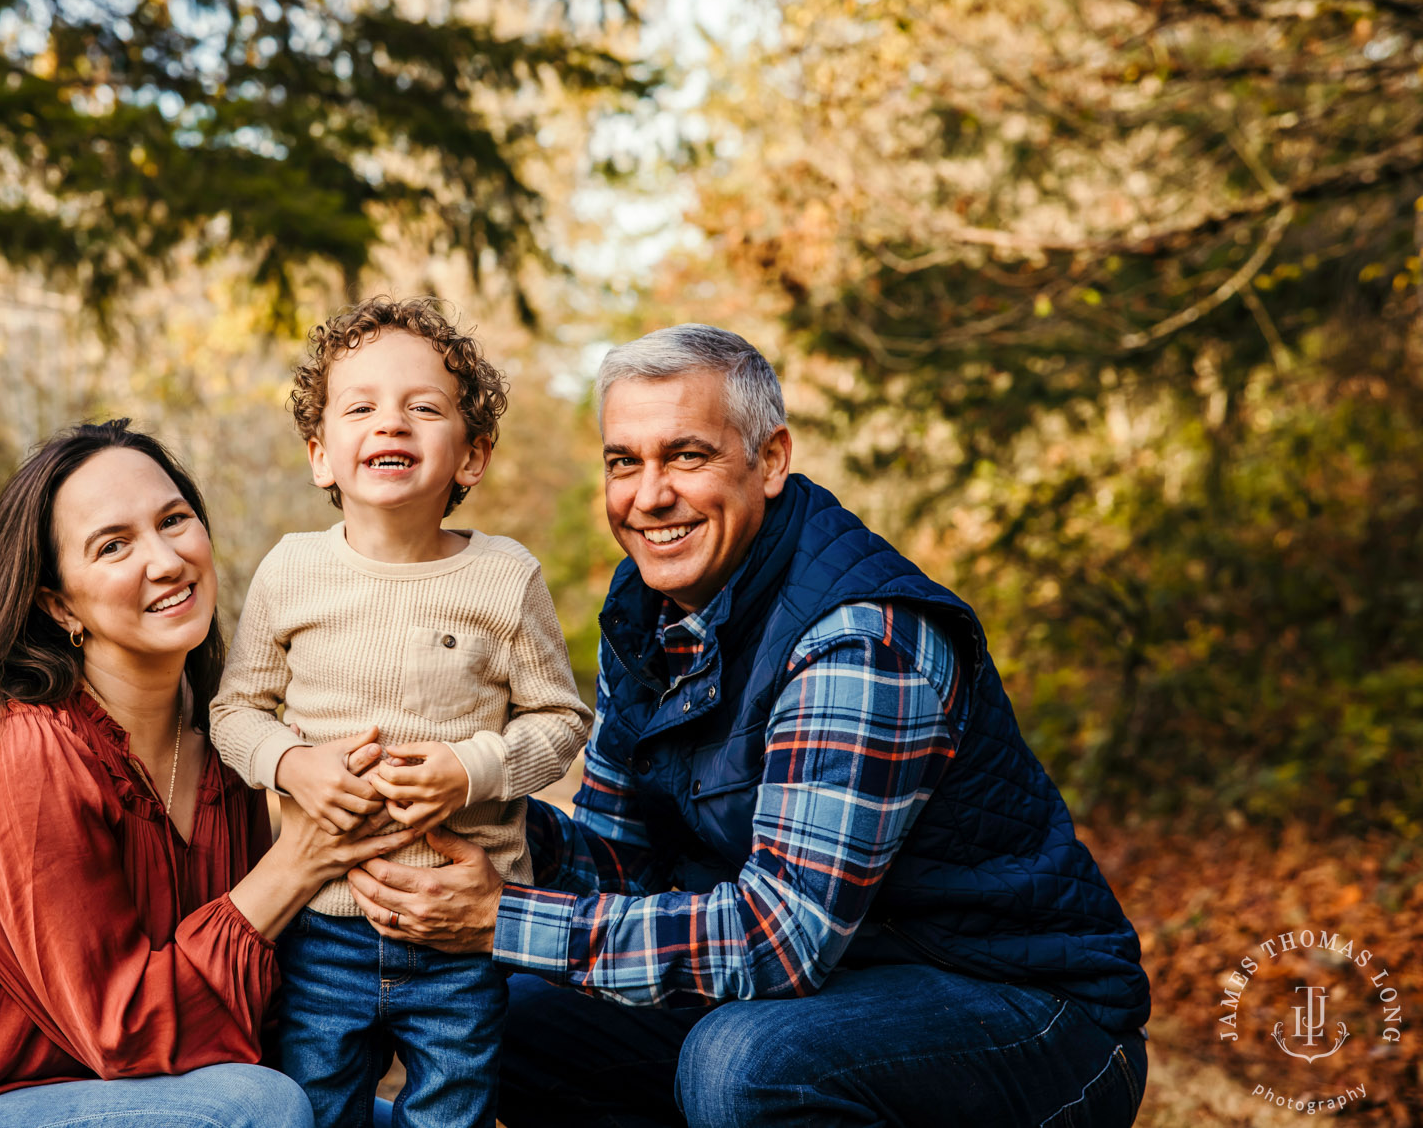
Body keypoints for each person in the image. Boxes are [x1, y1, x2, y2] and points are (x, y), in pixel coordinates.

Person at [346, 325, 1154, 1128]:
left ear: (769, 460)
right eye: (624, 461)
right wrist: (492, 831)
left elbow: (780, 938)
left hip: (1026, 1010)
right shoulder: (650, 612)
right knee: (517, 1019)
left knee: (745, 1066)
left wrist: (501, 918)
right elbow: (622, 862)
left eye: (686, 456)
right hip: (850, 981)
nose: (648, 494)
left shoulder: (856, 641)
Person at [0, 420, 417, 1128]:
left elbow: (256, 1010)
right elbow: (127, 1033)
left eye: (174, 521)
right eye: (113, 545)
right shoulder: (23, 749)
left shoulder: (228, 747)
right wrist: (299, 862)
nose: (166, 560)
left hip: (119, 1098)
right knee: (258, 1110)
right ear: (57, 606)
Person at [210, 297, 593, 1128]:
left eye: (424, 407)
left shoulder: (506, 578)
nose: (392, 423)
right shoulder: (292, 572)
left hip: (461, 938)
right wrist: (293, 763)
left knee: (452, 1113)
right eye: (361, 407)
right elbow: (236, 710)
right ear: (321, 455)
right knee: (315, 1108)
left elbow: (561, 722)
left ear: (473, 454)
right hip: (322, 927)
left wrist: (471, 770)